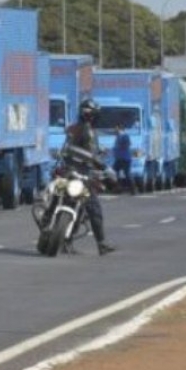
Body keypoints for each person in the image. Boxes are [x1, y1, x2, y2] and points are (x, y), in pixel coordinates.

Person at [64, 98, 117, 256]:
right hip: (77, 172)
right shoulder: (84, 130)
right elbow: (71, 149)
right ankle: (101, 244)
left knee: (83, 208)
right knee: (92, 208)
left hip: (77, 172)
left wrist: (100, 165)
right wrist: (101, 166)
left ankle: (94, 243)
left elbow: (91, 153)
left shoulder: (80, 129)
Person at [112, 123, 134, 194]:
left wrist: (119, 147)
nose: (115, 130)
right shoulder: (118, 136)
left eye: (116, 128)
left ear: (120, 129)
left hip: (125, 159)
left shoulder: (125, 136)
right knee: (113, 172)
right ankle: (118, 188)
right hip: (118, 159)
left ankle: (133, 189)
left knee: (127, 174)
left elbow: (128, 144)